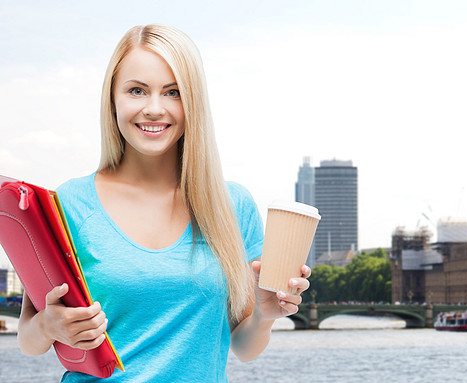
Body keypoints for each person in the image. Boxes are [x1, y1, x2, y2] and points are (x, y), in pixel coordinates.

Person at [16, 24, 310, 382]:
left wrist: (264, 317)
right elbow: (29, 341)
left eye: (173, 92)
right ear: (112, 99)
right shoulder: (69, 203)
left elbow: (244, 348)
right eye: (137, 90)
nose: (154, 109)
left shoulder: (233, 205)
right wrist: (49, 325)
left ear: (193, 103)